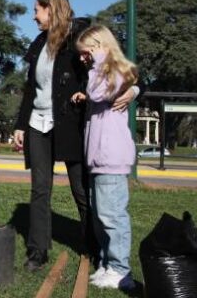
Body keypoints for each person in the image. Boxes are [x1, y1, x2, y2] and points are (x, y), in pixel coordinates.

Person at [12, 0, 139, 272]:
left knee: (81, 190)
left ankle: (95, 249)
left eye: (37, 10)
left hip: (72, 124)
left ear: (52, 9)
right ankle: (37, 250)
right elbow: (31, 88)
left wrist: (134, 90)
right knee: (40, 189)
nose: (34, 17)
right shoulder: (38, 44)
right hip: (38, 123)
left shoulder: (82, 37)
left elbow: (116, 68)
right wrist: (21, 125)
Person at [73, 25, 138, 290]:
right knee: (101, 215)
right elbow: (97, 94)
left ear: (99, 46)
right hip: (99, 157)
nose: (82, 58)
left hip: (111, 157)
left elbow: (100, 92)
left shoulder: (113, 70)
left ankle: (122, 271)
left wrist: (99, 60)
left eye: (86, 52)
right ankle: (108, 263)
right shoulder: (104, 72)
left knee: (112, 215)